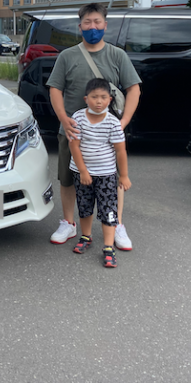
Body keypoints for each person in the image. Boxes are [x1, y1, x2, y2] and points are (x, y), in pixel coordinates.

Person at [47, 2, 141, 249]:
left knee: (113, 178)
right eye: (87, 23)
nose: (92, 27)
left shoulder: (117, 55)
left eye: (97, 22)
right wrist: (63, 118)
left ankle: (117, 224)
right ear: (80, 27)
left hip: (106, 134)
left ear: (105, 25)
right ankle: (69, 222)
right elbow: (55, 89)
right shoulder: (67, 56)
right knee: (68, 178)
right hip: (72, 131)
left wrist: (123, 122)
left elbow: (134, 89)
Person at [68, 78, 131, 267]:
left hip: (106, 175)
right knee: (84, 206)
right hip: (82, 173)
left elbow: (120, 151)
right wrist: (83, 171)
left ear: (110, 100)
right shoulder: (78, 118)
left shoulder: (113, 123)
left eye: (103, 97)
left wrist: (123, 175)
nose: (99, 101)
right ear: (86, 99)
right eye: (94, 97)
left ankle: (109, 246)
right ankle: (86, 236)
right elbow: (74, 146)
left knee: (108, 210)